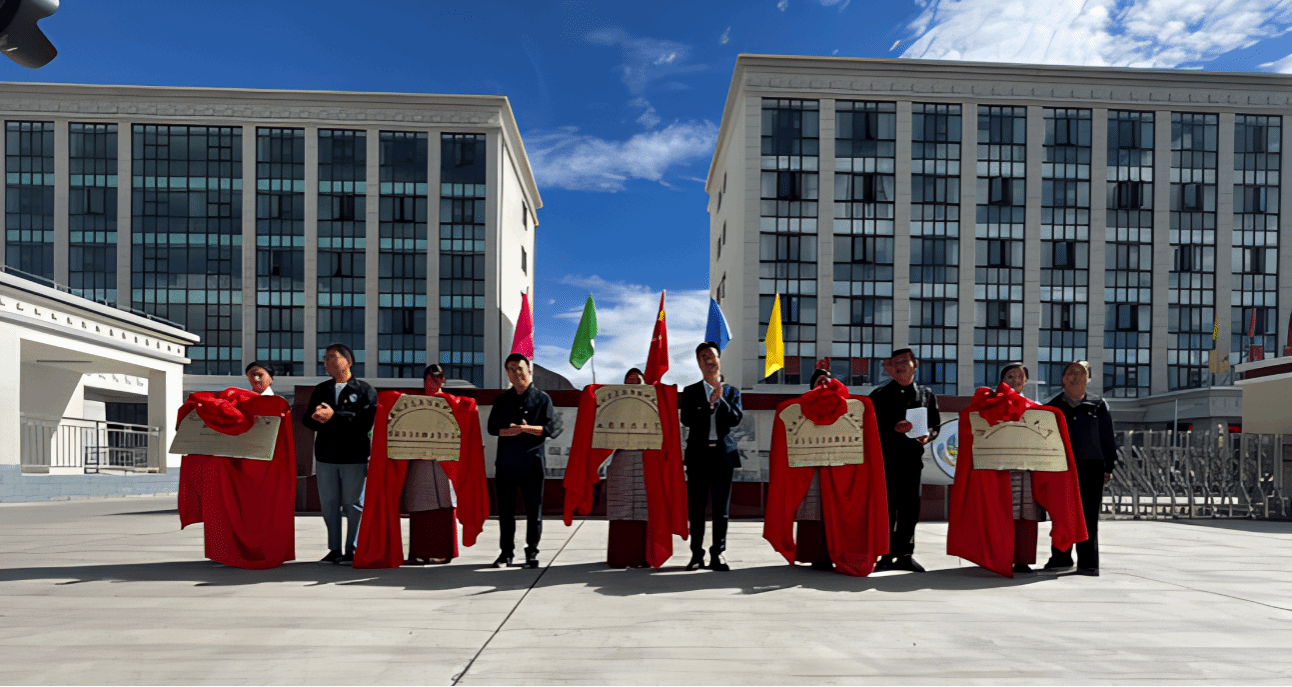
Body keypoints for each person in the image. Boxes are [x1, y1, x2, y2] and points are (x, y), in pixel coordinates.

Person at [301, 343, 377, 565]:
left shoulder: (365, 390)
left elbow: (364, 423)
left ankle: (352, 548)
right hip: (326, 456)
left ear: (349, 361)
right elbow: (307, 420)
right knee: (329, 504)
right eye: (325, 358)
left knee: (353, 504)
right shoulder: (321, 389)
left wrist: (333, 417)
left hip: (354, 456)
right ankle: (334, 549)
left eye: (332, 357)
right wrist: (317, 417)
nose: (327, 362)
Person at [1043, 361, 1117, 576]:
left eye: (1080, 373)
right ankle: (1061, 557)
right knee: (1061, 514)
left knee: (1088, 516)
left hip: (1091, 467)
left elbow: (1107, 437)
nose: (1075, 376)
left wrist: (1108, 466)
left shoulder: (1098, 405)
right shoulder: (1052, 406)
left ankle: (1088, 562)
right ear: (1063, 379)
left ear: (1087, 379)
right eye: (1070, 373)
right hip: (1060, 467)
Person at [869, 348, 940, 572]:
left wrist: (928, 435)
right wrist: (893, 428)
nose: (899, 367)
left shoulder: (926, 394)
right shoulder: (879, 395)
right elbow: (869, 428)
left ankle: (905, 554)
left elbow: (935, 425)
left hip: (912, 460)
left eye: (904, 362)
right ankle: (885, 554)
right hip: (886, 461)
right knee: (887, 508)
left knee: (910, 508)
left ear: (915, 364)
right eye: (895, 363)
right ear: (889, 368)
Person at [680, 341, 744, 572]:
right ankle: (696, 555)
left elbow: (735, 419)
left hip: (723, 457)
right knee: (696, 509)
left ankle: (718, 554)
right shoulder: (691, 392)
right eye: (703, 356)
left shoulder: (732, 391)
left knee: (721, 509)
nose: (709, 360)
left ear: (719, 360)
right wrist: (708, 405)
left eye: (712, 356)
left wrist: (721, 399)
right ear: (698, 363)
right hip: (698, 456)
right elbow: (687, 419)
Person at [487, 353, 554, 569]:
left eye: (520, 369)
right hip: (506, 463)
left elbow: (549, 429)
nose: (516, 374)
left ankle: (531, 553)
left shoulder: (542, 399)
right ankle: (506, 553)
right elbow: (492, 429)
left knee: (534, 511)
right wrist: (511, 431)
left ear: (529, 371)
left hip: (532, 463)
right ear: (507, 373)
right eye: (511, 369)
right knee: (505, 512)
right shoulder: (501, 400)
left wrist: (525, 429)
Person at [401, 364, 459, 565]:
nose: (432, 383)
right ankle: (419, 552)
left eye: (437, 378)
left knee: (443, 507)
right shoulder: (414, 403)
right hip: (419, 462)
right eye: (429, 379)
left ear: (443, 380)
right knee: (419, 507)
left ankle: (443, 552)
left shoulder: (451, 402)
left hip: (443, 462)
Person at [1000, 363, 1045, 574]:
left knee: (1027, 514)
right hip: (1001, 468)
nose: (1015, 380)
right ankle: (1000, 557)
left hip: (1028, 469)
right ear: (1002, 380)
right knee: (1002, 513)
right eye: (1010, 376)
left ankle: (1023, 560)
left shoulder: (1036, 407)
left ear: (1025, 381)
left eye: (1020, 376)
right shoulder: (992, 405)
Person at [605, 367, 651, 568]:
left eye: (637, 380)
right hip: (621, 457)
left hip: (644, 458)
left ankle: (643, 556)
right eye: (629, 380)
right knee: (620, 508)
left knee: (643, 509)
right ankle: (620, 556)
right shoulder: (614, 405)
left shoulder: (652, 405)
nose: (633, 383)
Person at [794, 368, 838, 571]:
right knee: (812, 509)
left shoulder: (840, 405)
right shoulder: (801, 406)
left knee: (832, 509)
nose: (823, 385)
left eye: (827, 381)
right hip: (810, 465)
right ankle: (814, 554)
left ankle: (834, 552)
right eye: (820, 381)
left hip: (834, 465)